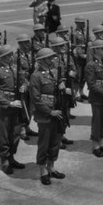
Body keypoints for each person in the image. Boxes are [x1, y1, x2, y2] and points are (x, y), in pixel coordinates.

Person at [29, 48, 69, 185]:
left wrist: (63, 85)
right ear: (42, 60)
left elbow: (60, 85)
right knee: (44, 144)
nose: (52, 59)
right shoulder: (36, 76)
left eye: (52, 57)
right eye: (49, 57)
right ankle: (43, 171)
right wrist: (49, 112)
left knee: (55, 142)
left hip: (58, 112)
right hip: (45, 116)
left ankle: (51, 167)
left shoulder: (55, 71)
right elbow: (36, 99)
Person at [0, 45, 27, 174]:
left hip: (17, 106)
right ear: (1, 58)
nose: (9, 58)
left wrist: (24, 86)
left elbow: (24, 81)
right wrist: (9, 103)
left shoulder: (15, 69)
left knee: (16, 133)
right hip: (5, 108)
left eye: (10, 55)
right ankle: (5, 161)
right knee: (4, 135)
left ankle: (12, 157)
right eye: (6, 56)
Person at [85, 39, 103, 157]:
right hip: (97, 97)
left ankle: (101, 143)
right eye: (102, 48)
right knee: (97, 122)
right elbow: (91, 85)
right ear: (96, 50)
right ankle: (95, 146)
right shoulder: (90, 65)